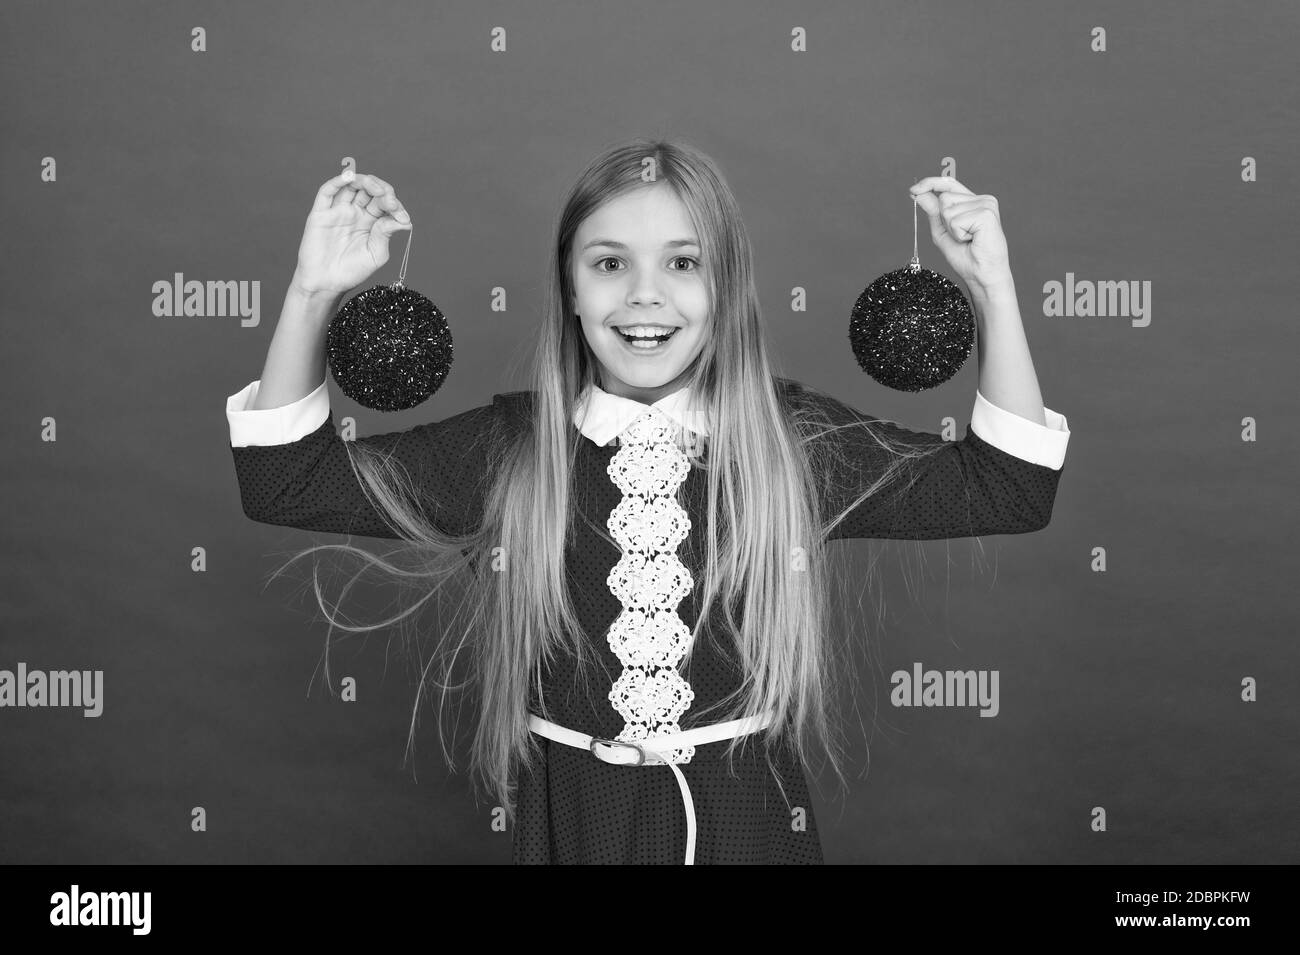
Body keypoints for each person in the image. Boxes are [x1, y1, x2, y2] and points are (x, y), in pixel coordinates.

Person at [225, 137, 1070, 864]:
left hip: (749, 821)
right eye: (608, 263)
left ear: (726, 287)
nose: (643, 295)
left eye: (683, 262)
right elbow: (285, 479)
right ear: (570, 288)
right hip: (572, 822)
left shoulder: (790, 441)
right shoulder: (512, 450)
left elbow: (1010, 488)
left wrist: (993, 289)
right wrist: (311, 293)